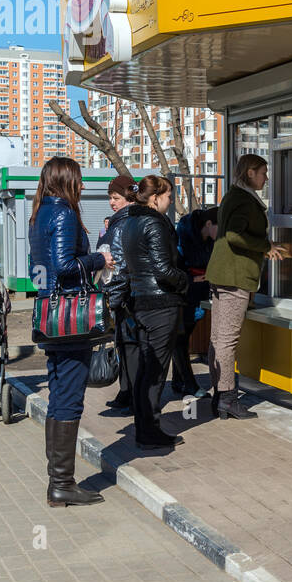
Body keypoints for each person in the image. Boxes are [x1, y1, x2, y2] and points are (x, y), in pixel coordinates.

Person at [28, 156, 112, 507]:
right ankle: (61, 483)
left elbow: (42, 267)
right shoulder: (63, 213)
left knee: (59, 391)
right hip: (70, 320)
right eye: (78, 179)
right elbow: (64, 266)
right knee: (69, 396)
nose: (81, 185)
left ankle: (59, 481)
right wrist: (100, 261)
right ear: (67, 181)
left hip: (50, 315)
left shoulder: (39, 213)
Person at [205, 154, 282, 419]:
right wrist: (266, 246)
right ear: (250, 172)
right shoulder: (243, 199)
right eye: (263, 172)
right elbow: (235, 236)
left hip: (222, 274)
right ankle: (227, 397)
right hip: (234, 277)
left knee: (218, 337)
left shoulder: (234, 195)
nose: (266, 177)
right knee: (227, 340)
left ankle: (219, 395)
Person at [120, 175, 188, 449]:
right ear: (155, 197)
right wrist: (184, 281)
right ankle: (149, 430)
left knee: (146, 370)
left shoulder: (130, 222)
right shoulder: (154, 223)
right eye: (169, 196)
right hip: (160, 304)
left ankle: (144, 426)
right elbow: (163, 269)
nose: (171, 201)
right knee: (155, 372)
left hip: (141, 302)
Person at [98, 175, 137, 412]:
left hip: (126, 295)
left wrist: (112, 298)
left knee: (131, 345)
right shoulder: (121, 220)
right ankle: (127, 392)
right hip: (125, 293)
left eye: (116, 197)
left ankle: (131, 394)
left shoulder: (124, 222)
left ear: (128, 197)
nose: (112, 202)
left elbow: (120, 265)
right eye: (110, 198)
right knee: (125, 344)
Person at [171, 206, 218, 397]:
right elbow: (174, 266)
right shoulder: (183, 236)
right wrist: (192, 279)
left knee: (184, 337)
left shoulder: (208, 240)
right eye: (219, 227)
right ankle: (189, 384)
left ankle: (178, 381)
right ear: (208, 224)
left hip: (200, 291)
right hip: (183, 292)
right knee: (180, 339)